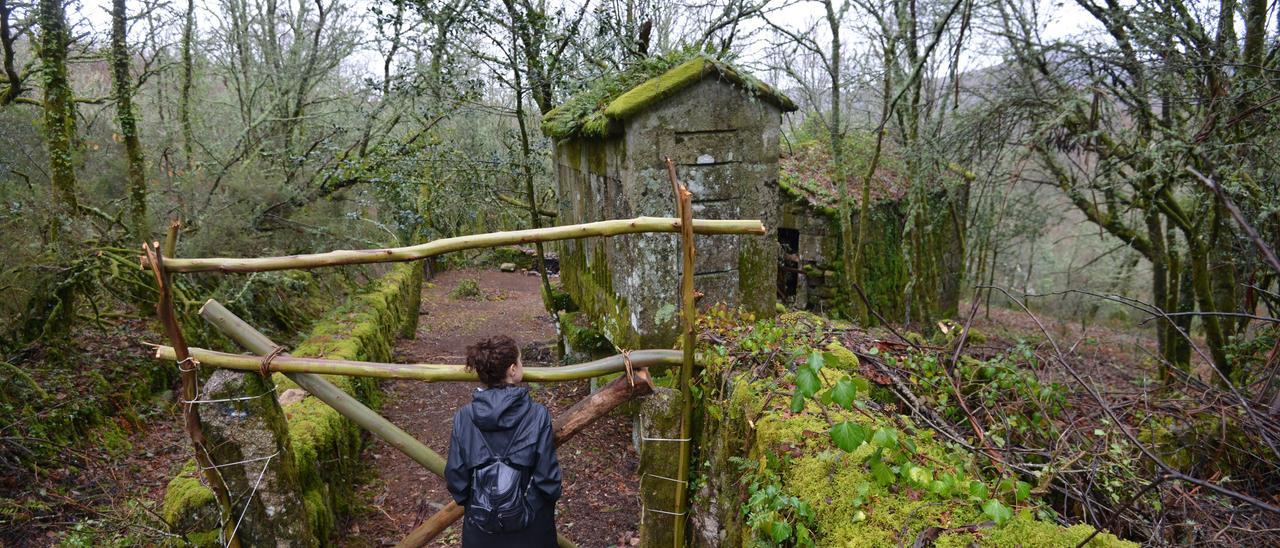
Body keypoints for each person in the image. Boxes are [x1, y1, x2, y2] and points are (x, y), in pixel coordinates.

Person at [445, 335, 561, 547]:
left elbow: (457, 479)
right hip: (532, 532)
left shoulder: (464, 416)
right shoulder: (537, 415)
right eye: (520, 360)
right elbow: (548, 481)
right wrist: (524, 511)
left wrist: (484, 508)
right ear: (512, 369)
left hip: (481, 529)